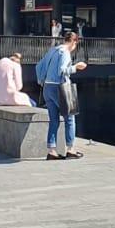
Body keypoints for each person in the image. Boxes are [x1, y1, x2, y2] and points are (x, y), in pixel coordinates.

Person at [36, 31, 86, 160]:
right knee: (70, 118)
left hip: (47, 87)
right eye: (76, 44)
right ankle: (70, 149)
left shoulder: (53, 50)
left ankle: (51, 151)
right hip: (59, 88)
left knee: (54, 120)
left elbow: (39, 66)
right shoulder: (65, 52)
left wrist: (42, 80)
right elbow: (62, 71)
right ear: (74, 41)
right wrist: (76, 67)